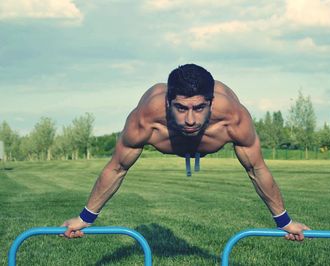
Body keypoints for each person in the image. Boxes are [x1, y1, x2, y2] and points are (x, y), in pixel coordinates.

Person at [62, 64, 310, 241]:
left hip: (211, 130)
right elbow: (117, 168)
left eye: (199, 108)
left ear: (211, 103)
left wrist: (285, 223)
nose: (190, 119)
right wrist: (85, 218)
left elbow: (257, 169)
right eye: (181, 108)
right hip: (168, 131)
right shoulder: (146, 119)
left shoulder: (233, 117)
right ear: (168, 103)